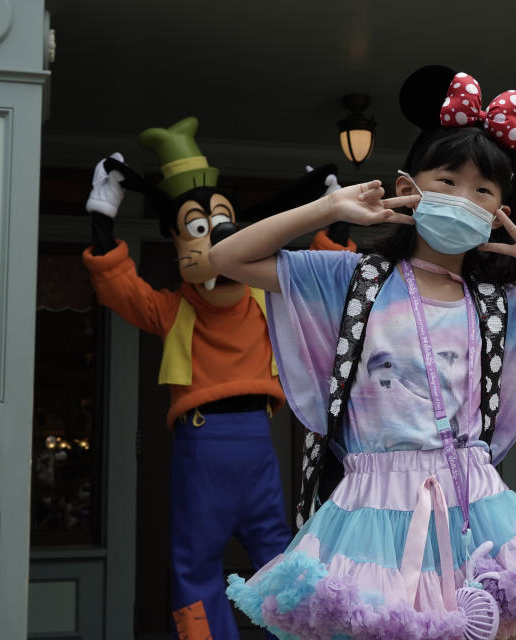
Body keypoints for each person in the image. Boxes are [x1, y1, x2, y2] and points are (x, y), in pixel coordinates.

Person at [210, 66, 516, 640]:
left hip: (474, 510)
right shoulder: (353, 280)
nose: (462, 198)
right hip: (371, 508)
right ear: (410, 185)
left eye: (483, 190)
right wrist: (328, 210)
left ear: (501, 210)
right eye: (448, 180)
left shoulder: (501, 306)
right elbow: (225, 258)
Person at [82, 117, 353, 640]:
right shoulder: (172, 310)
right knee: (196, 559)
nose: (216, 247)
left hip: (257, 438)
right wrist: (102, 213)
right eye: (198, 230)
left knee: (277, 550)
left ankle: (298, 634)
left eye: (224, 226)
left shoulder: (264, 300)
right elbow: (118, 286)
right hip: (201, 443)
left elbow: (325, 277)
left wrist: (333, 214)